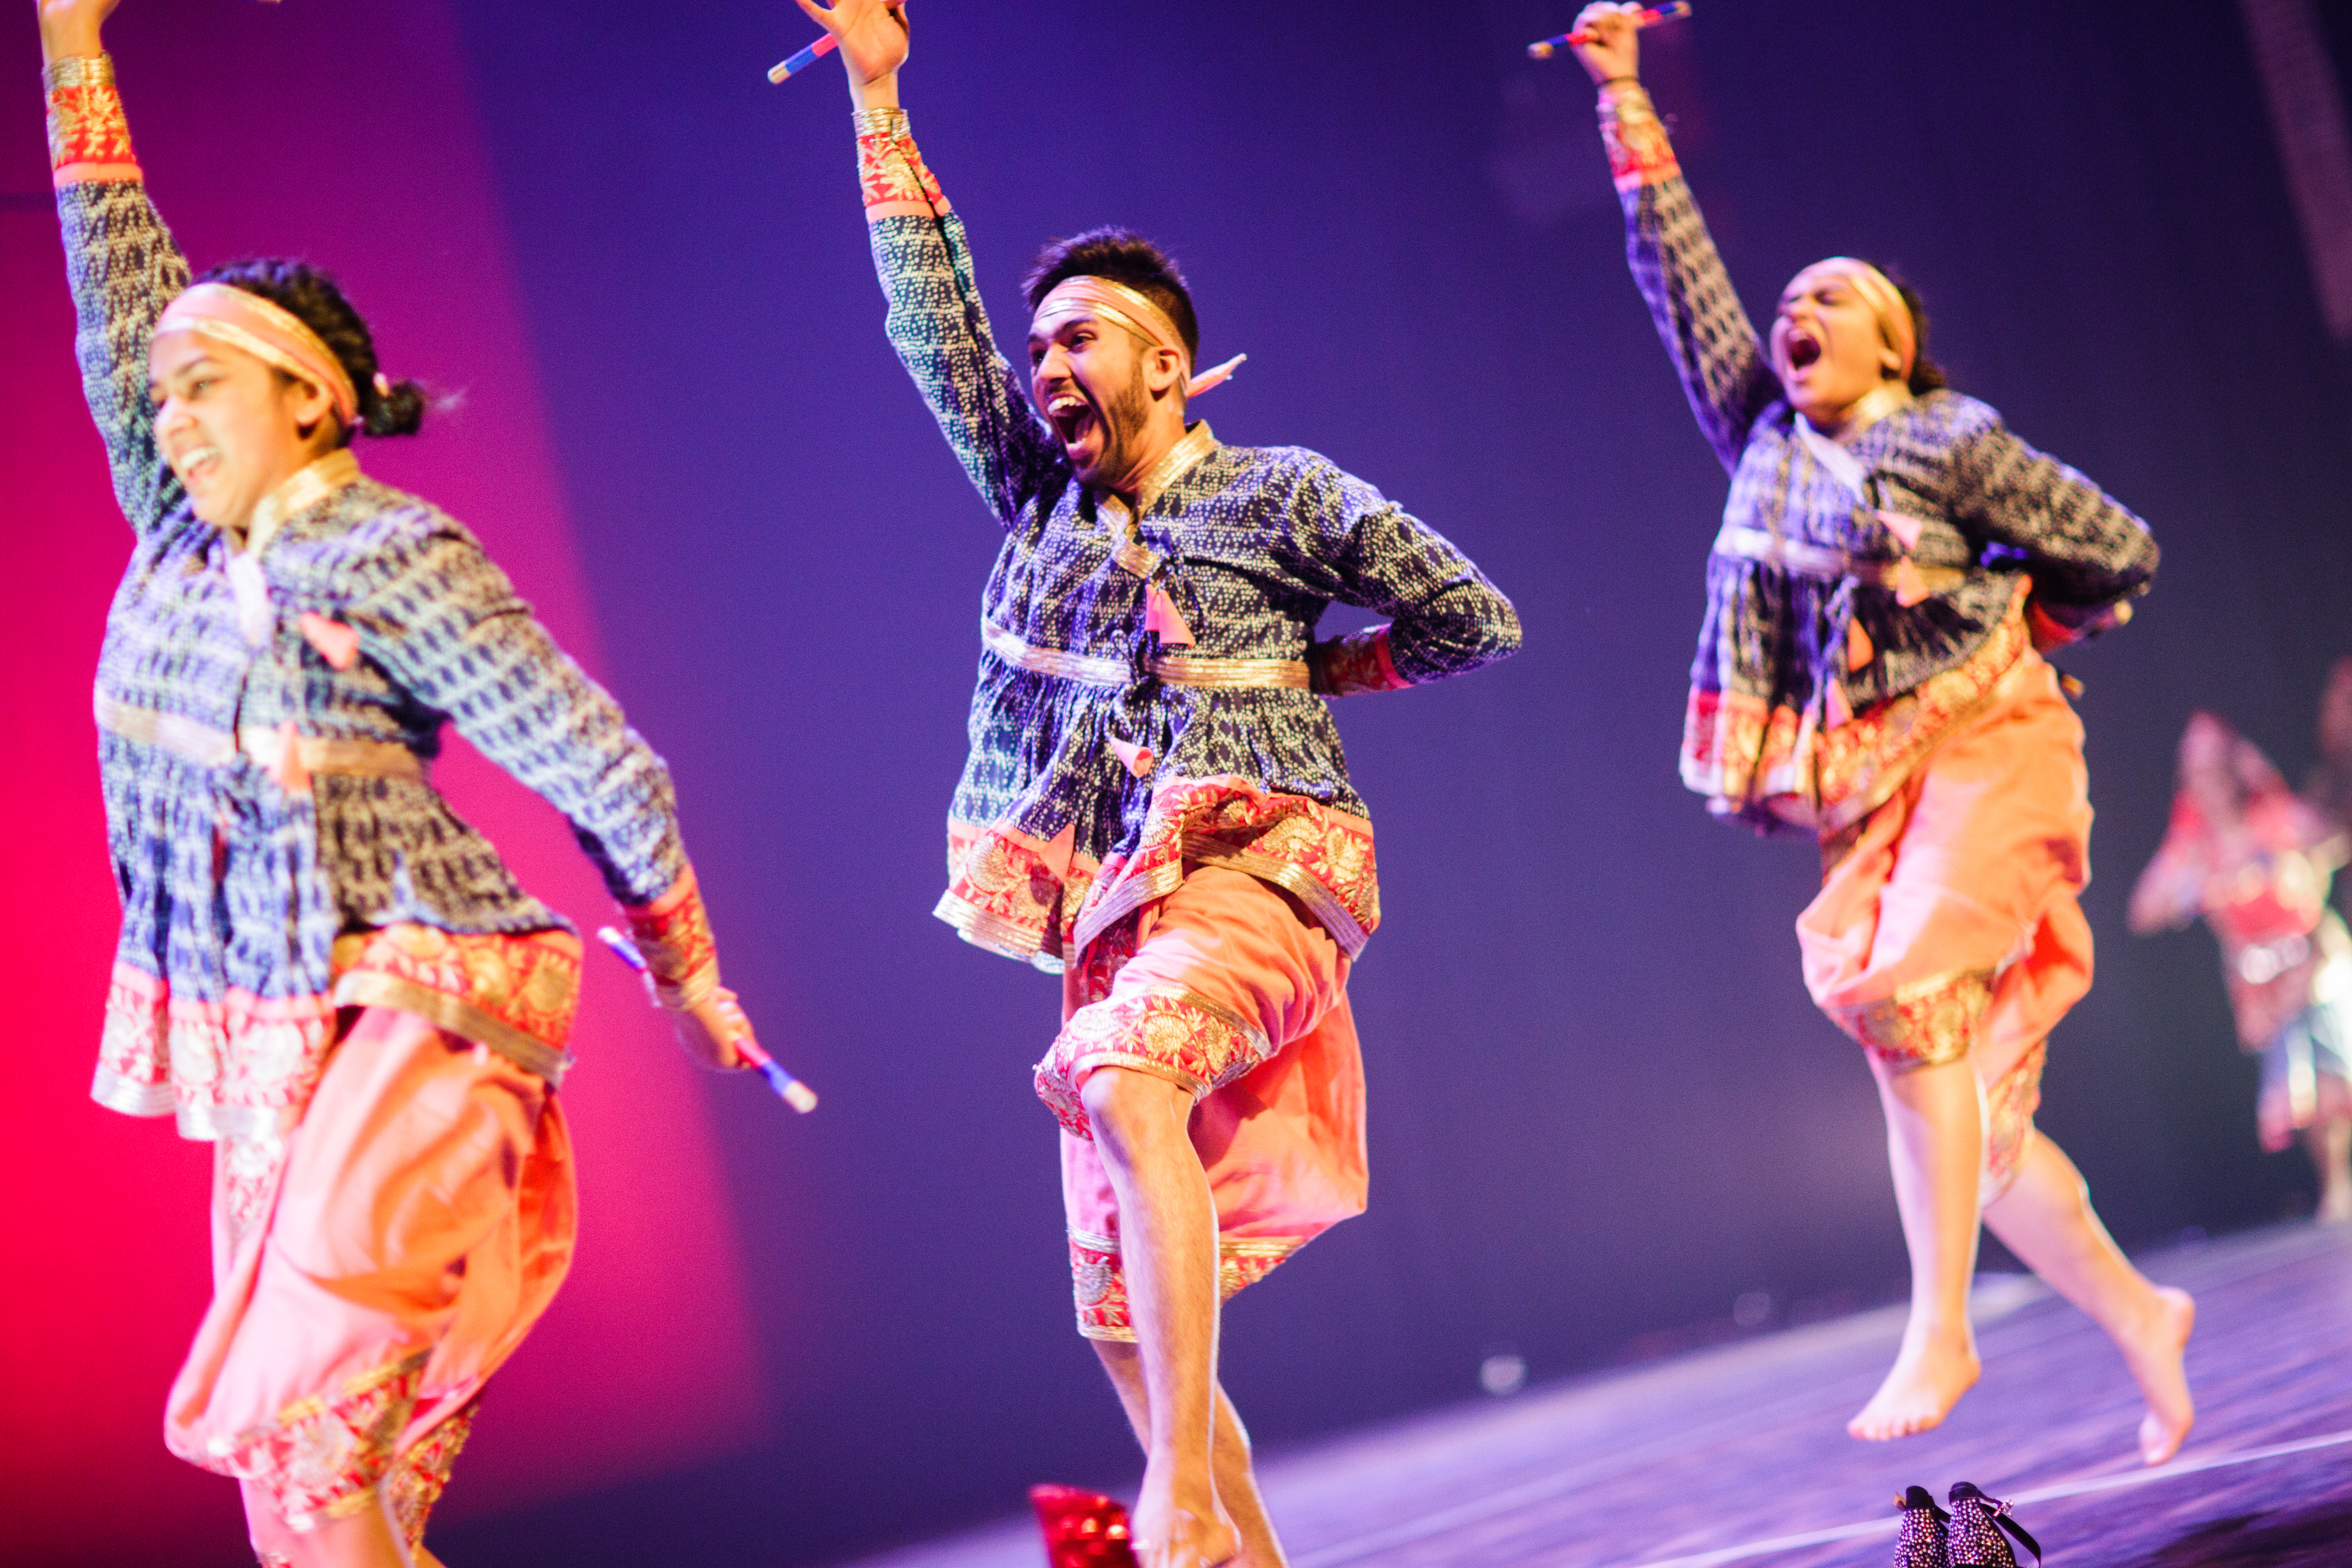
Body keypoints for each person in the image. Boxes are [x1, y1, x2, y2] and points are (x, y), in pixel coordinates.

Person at [38, 2, 768, 1562]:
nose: (165, 420)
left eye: (200, 390)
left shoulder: (391, 551)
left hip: (417, 1011)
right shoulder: (179, 535)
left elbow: (599, 759)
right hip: (273, 1028)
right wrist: (67, 41)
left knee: (311, 1451)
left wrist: (690, 974)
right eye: (154, 398)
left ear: (306, 399)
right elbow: (117, 305)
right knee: (303, 1512)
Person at [794, 4, 1522, 1564]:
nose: (1046, 361)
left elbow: (1474, 617)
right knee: (1115, 1314)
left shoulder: (1280, 493)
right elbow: (928, 324)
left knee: (1123, 1077)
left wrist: (1327, 674)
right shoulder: (1036, 501)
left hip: (1266, 867)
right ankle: (1223, 1539)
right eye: (1039, 339)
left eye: (1079, 337)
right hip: (1115, 910)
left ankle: (1175, 1495)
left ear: (1168, 365)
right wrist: (876, 89)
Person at [1568, 3, 2193, 1463]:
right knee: (1965, 1114)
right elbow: (1682, 283)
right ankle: (2138, 1318)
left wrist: (2025, 614)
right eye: (1790, 303)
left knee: (1910, 986)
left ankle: (1939, 1324)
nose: (1797, 313)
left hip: (1990, 742)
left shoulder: (1948, 436)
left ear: (1896, 344)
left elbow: (2120, 548)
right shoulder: (1767, 441)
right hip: (1872, 783)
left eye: (1832, 297)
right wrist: (1620, 96)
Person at [2131, 714, 2352, 1221]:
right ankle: (2335, 1184)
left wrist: (2292, 863)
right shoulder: (2193, 846)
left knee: (2335, 1073)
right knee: (2300, 1091)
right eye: (2196, 769)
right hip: (2261, 980)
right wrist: (2196, 891)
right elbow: (2144, 910)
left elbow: (2333, 841)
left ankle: (2339, 1187)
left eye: (2215, 765)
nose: (2207, 779)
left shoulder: (2271, 816)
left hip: (2313, 958)